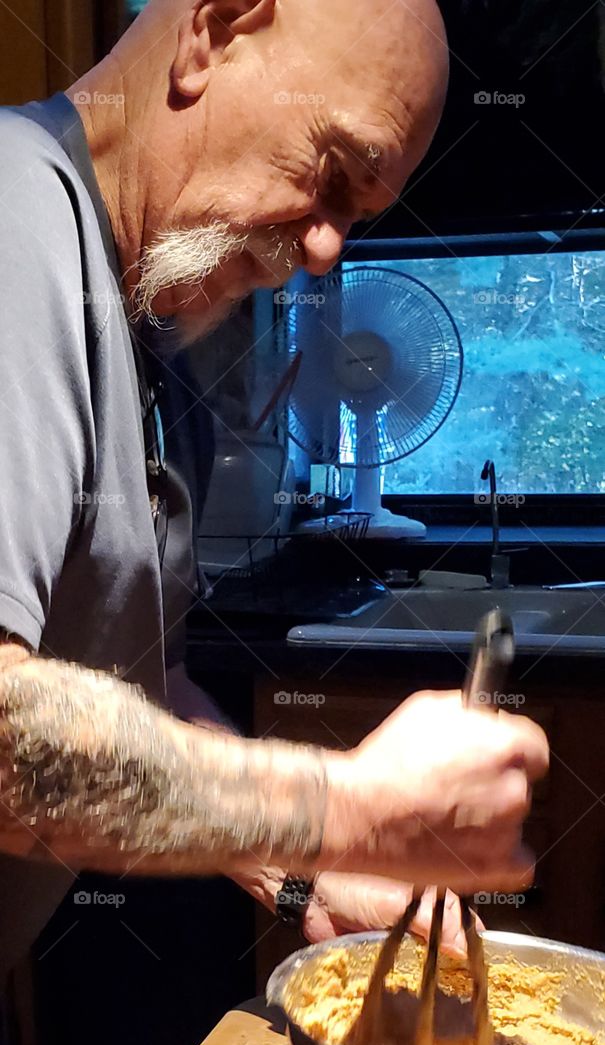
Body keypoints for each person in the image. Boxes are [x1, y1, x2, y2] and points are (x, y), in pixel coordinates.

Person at [0, 0, 548, 971]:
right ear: (211, 31)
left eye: (355, 213)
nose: (327, 246)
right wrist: (344, 807)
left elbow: (136, 689)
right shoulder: (15, 209)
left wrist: (314, 869)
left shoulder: (156, 342)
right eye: (330, 172)